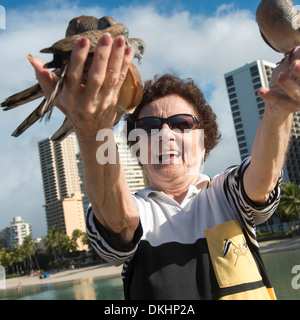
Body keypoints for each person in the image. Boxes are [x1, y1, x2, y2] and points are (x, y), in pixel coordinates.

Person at [30, 33, 300, 300]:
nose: (165, 134)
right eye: (149, 127)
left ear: (204, 142)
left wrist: (278, 112)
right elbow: (116, 219)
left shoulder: (226, 193)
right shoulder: (137, 210)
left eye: (182, 123)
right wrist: (93, 128)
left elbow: (262, 181)